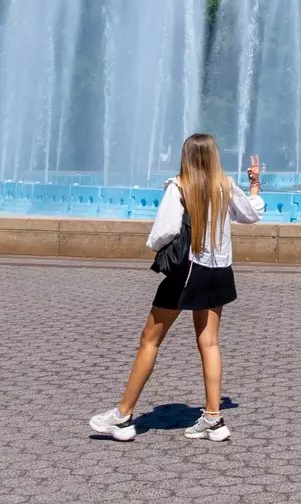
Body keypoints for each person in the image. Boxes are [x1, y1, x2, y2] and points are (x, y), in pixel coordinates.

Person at [88, 135, 262, 443]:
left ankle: (124, 416)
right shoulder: (225, 186)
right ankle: (213, 417)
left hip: (187, 271)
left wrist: (155, 247)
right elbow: (250, 215)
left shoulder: (179, 187)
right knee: (209, 342)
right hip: (219, 271)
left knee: (150, 340)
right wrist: (255, 185)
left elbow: (164, 231)